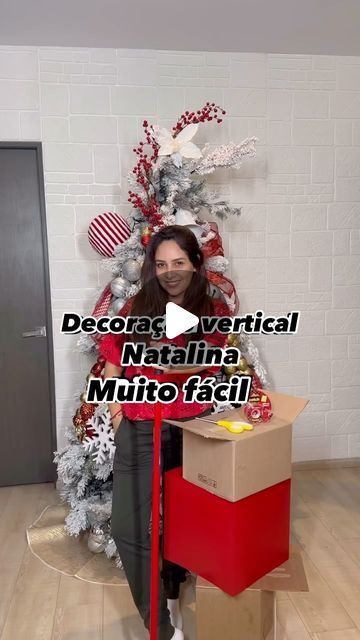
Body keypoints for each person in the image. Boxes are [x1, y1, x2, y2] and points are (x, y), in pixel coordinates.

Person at [99, 225, 230, 640]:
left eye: (178, 263)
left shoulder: (212, 310)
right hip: (139, 424)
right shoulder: (137, 307)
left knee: (183, 521)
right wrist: (116, 408)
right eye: (160, 264)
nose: (169, 272)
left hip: (189, 426)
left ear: (194, 264)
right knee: (127, 526)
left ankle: (173, 591)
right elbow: (113, 358)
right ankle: (160, 628)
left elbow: (212, 365)